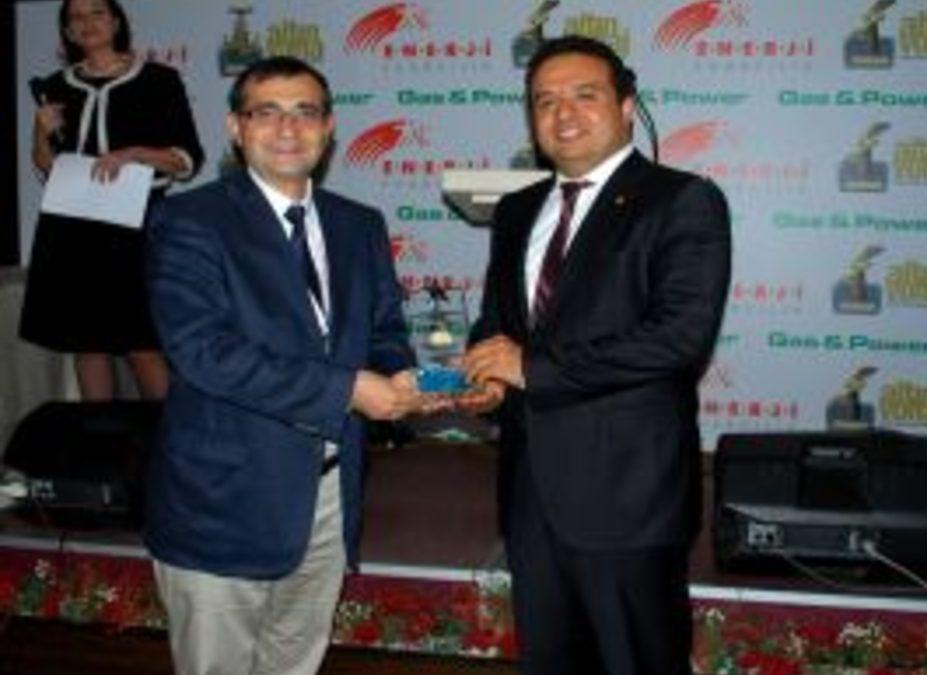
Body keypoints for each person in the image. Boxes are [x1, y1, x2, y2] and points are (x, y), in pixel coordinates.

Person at [144, 56, 434, 675]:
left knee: (295, 663)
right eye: (266, 112)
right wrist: (349, 389)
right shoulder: (190, 220)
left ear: (328, 127)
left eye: (305, 112)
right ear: (236, 127)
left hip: (329, 493)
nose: (287, 128)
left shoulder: (359, 224)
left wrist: (400, 376)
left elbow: (384, 330)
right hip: (224, 500)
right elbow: (204, 353)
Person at [461, 36, 732, 675]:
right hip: (530, 495)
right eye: (544, 101)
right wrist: (488, 379)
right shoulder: (517, 209)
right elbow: (500, 323)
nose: (564, 114)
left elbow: (678, 337)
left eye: (585, 95)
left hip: (629, 499)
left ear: (626, 106)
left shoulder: (682, 200)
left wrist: (531, 369)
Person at [20, 0, 204, 401]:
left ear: (117, 21)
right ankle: (98, 439)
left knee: (143, 343)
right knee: (88, 344)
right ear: (67, 32)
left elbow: (187, 159)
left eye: (97, 13)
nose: (87, 23)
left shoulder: (159, 80)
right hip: (72, 229)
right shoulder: (55, 86)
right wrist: (39, 132)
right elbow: (48, 167)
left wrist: (134, 153)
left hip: (137, 226)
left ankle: (171, 435)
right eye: (76, 17)